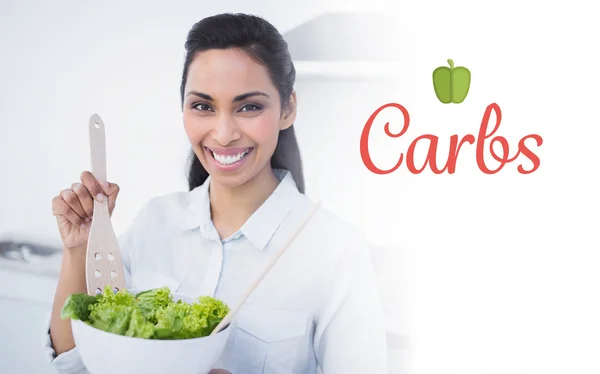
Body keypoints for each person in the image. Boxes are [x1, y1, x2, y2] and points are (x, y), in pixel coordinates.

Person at [43, 12, 389, 374]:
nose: (223, 134)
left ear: (287, 109)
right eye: (203, 107)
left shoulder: (335, 248)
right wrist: (79, 249)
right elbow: (76, 363)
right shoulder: (155, 221)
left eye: (249, 107)